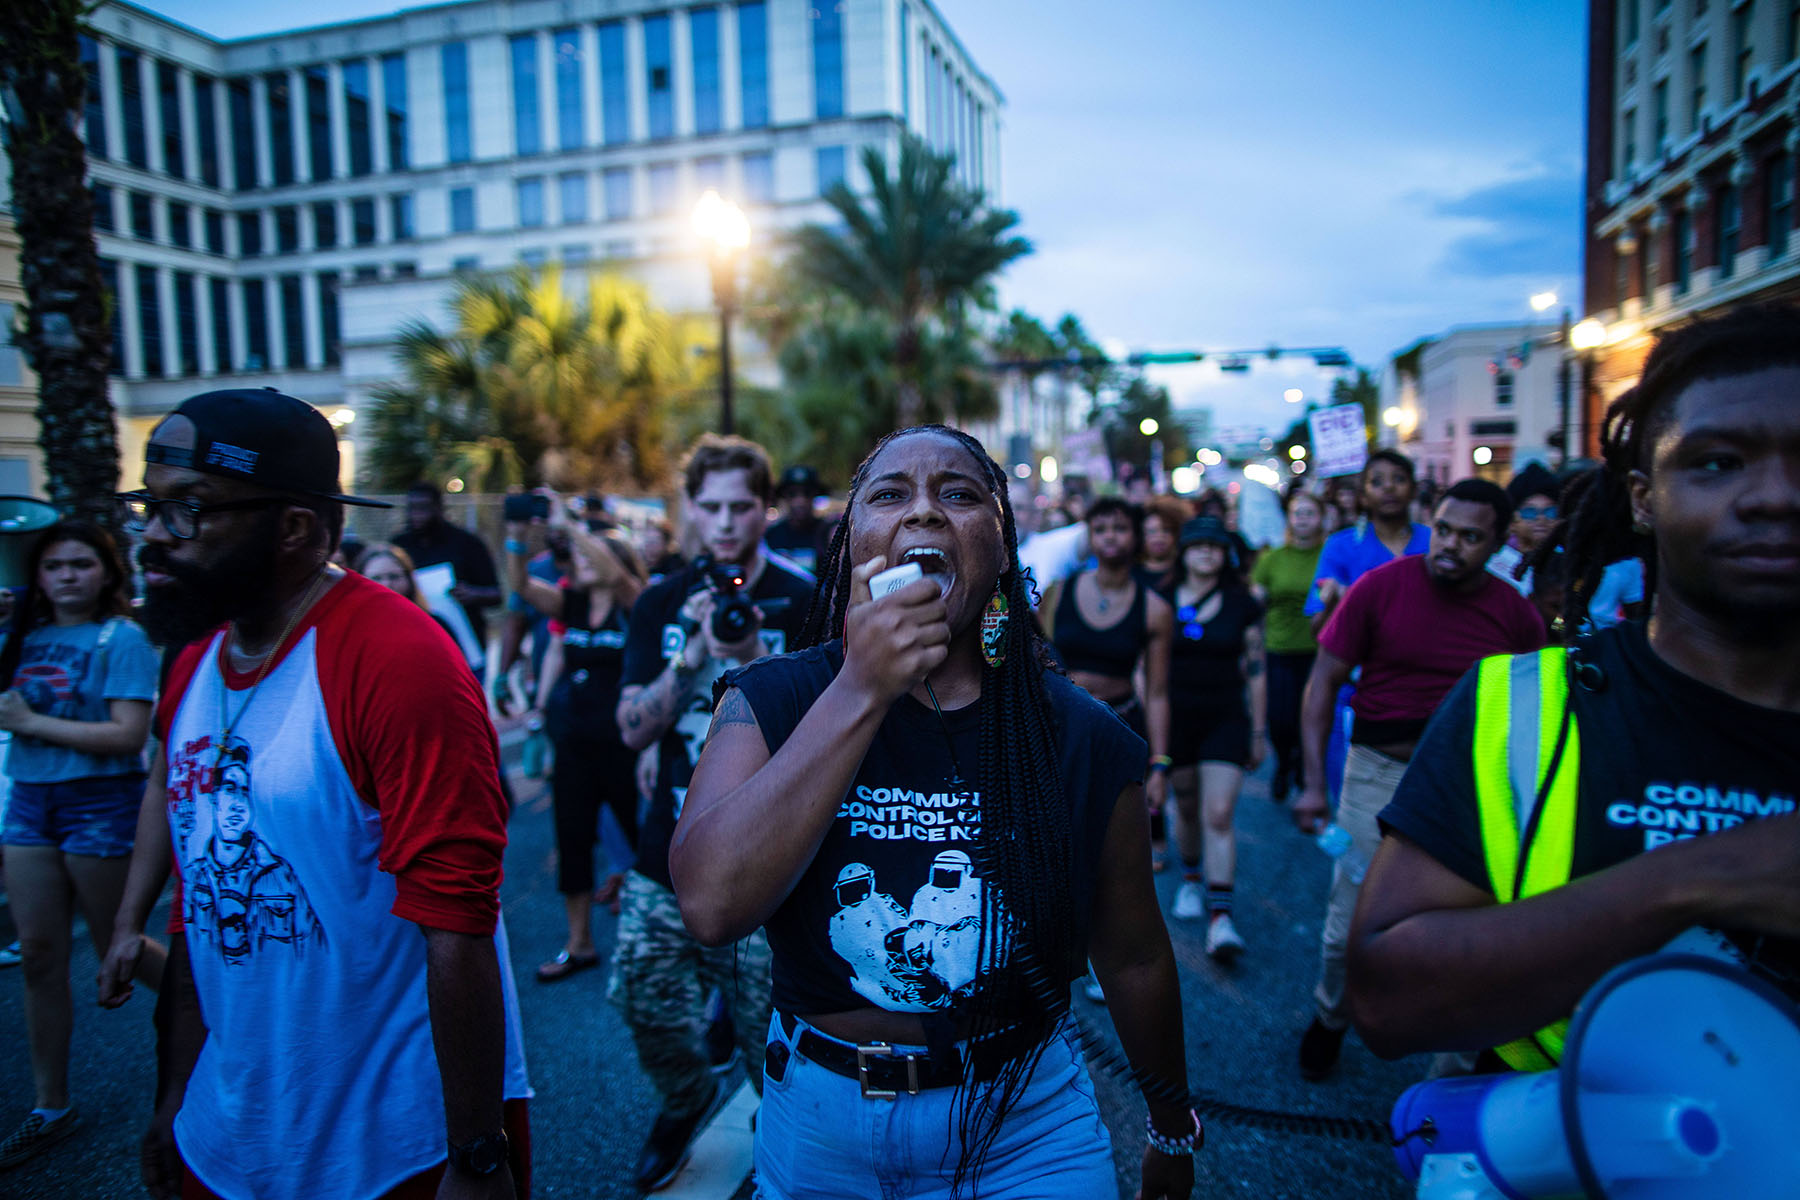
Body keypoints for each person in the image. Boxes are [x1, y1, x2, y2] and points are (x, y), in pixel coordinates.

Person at [669, 425, 1197, 1200]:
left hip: (1025, 1123)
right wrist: (861, 688)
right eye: (889, 495)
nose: (923, 513)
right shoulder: (771, 699)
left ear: (1001, 541)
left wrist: (1170, 1127)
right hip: (819, 1122)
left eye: (958, 494)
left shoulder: (1082, 737)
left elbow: (1136, 957)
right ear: (853, 544)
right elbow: (711, 903)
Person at [98, 388, 528, 1200]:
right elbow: (200, 898)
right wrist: (174, 1097)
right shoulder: (193, 660)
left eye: (190, 510)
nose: (155, 535)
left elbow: (459, 922)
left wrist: (477, 1156)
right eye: (149, 506)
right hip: (227, 1139)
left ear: (294, 527)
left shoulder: (397, 659)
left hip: (389, 1152)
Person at [1349, 304, 1800, 1073]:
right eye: (1719, 462)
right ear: (1641, 497)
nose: (1776, 498)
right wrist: (1706, 878)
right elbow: (1388, 1002)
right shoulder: (1519, 708)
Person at [613, 434, 815, 1192]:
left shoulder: (805, 596)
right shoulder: (664, 601)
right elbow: (630, 726)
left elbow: (842, 726)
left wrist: (759, 659)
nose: (727, 523)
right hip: (668, 845)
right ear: (690, 510)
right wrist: (689, 657)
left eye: (742, 506)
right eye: (712, 507)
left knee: (776, 1029)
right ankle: (685, 1098)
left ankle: (782, 1131)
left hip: (773, 856)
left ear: (765, 508)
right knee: (642, 993)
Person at [1290, 478, 1545, 1081]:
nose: (1451, 546)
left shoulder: (1515, 614)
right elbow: (1322, 682)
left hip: (1473, 789)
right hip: (1377, 774)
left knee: (1469, 941)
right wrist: (1312, 784)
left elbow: (1540, 710)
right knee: (1346, 926)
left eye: (1471, 537)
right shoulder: (1381, 588)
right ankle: (1331, 1016)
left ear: (1498, 544)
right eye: (1446, 530)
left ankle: (1449, 1080)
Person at [0, 521, 161, 1170]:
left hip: (101, 803)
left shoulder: (120, 638)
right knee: (39, 952)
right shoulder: (24, 637)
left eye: (81, 564)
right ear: (36, 576)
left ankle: (223, 1022)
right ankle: (50, 1105)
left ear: (106, 572)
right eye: (54, 566)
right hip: (32, 801)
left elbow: (128, 737)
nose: (67, 576)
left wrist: (33, 722)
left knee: (118, 943)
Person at [504, 496, 645, 982]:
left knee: (643, 843)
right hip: (576, 744)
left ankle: (656, 941)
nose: (578, 560)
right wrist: (518, 536)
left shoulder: (636, 604)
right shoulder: (573, 602)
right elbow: (520, 586)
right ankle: (579, 943)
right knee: (572, 841)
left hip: (628, 748)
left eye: (588, 556)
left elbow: (617, 572)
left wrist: (571, 523)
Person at [1165, 516, 1266, 959]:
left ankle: (1221, 919)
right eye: (1198, 544)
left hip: (1227, 718)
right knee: (1186, 807)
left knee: (1219, 813)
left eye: (1214, 545)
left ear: (1225, 553)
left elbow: (1257, 672)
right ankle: (1190, 878)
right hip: (1175, 720)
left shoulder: (1243, 602)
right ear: (1183, 552)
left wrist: (1259, 732)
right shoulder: (1160, 599)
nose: (1206, 552)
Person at [1040, 497, 1173, 820]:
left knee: (1115, 827)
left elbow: (1157, 693)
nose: (1110, 536)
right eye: (1100, 529)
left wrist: (1160, 763)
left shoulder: (1155, 609)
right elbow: (1037, 663)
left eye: (1120, 528)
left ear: (1136, 536)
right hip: (1061, 726)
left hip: (1121, 724)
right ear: (1089, 537)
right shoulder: (1057, 592)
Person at [1251, 489, 1326, 803]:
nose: (1303, 519)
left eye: (1310, 513)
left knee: (1310, 714)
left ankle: (1304, 768)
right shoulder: (1272, 558)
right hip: (1279, 647)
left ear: (1321, 517)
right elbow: (1256, 599)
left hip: (1319, 649)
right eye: (1298, 513)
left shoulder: (1330, 554)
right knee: (1280, 717)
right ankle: (1284, 762)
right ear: (1289, 518)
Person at [392, 480, 503, 678]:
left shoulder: (467, 543)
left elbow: (496, 594)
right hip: (414, 645)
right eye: (412, 508)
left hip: (466, 648)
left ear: (439, 508)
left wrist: (472, 594)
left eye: (424, 508)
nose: (417, 515)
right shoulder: (399, 546)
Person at [1486, 463, 1560, 596]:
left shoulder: (1569, 562)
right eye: (1530, 512)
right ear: (1512, 521)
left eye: (1550, 511)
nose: (1541, 518)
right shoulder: (1492, 565)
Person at [764, 465, 831, 576]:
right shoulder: (771, 535)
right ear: (784, 497)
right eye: (792, 494)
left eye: (807, 493)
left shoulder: (828, 534)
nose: (800, 501)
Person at [1138, 496, 1189, 598]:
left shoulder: (1187, 573)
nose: (1159, 537)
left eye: (1166, 530)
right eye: (1152, 531)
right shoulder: (1130, 574)